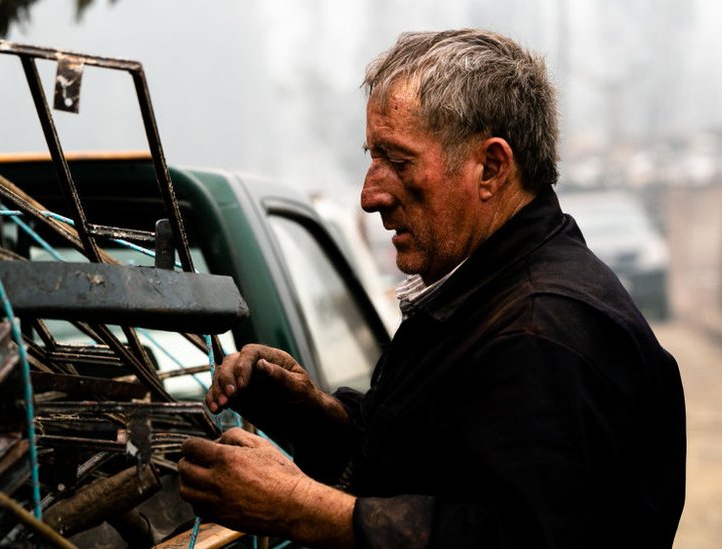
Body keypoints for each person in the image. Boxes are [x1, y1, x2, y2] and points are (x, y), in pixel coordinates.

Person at [178, 28, 686, 548]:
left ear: (490, 167)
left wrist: (298, 508)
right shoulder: (482, 293)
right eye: (372, 157)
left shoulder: (540, 330)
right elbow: (417, 466)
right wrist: (310, 413)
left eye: (398, 162)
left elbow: (509, 540)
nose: (370, 194)